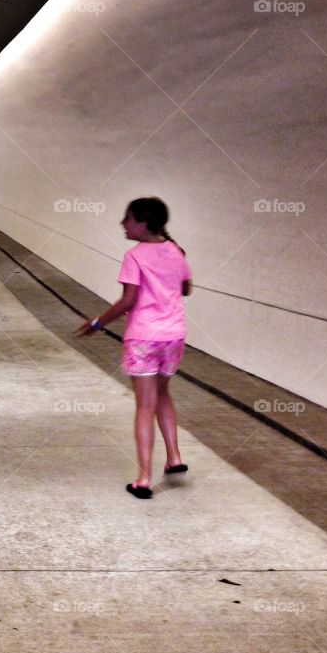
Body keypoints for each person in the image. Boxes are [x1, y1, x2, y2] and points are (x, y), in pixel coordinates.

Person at [75, 196, 192, 499]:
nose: (123, 224)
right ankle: (174, 457)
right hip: (174, 335)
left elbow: (129, 300)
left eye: (127, 219)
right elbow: (185, 288)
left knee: (144, 406)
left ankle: (143, 479)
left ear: (142, 224)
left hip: (144, 336)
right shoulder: (176, 251)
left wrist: (97, 323)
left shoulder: (135, 255)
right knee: (164, 393)